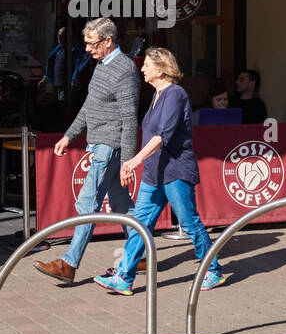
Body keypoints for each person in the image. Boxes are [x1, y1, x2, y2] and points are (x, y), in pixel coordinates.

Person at [93, 48, 226, 295]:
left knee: (189, 222)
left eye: (146, 65)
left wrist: (133, 162)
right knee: (140, 224)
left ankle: (213, 270)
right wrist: (136, 162)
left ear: (161, 69)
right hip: (154, 173)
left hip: (175, 171)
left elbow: (161, 137)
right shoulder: (156, 96)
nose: (142, 69)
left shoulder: (175, 95)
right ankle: (125, 277)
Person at [34, 17, 140, 284]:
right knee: (120, 204)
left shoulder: (124, 70)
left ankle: (69, 264)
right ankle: (140, 253)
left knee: (87, 203)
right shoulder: (102, 64)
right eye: (86, 43)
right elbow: (89, 106)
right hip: (101, 142)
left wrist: (128, 161)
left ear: (108, 40)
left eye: (92, 43)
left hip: (110, 145)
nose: (88, 49)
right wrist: (69, 135)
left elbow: (129, 119)